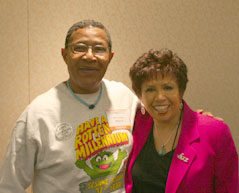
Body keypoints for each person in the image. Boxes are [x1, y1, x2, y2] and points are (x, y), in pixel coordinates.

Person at [0, 19, 139, 193]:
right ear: (64, 55)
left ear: (110, 57)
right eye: (79, 48)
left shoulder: (125, 98)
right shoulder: (39, 114)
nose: (89, 56)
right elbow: (9, 186)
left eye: (99, 49)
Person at [125, 48, 238, 193]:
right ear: (140, 94)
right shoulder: (135, 124)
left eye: (168, 87)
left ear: (181, 91)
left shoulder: (214, 132)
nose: (160, 97)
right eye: (150, 89)